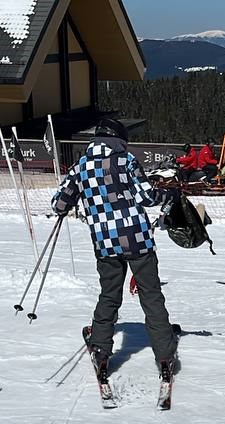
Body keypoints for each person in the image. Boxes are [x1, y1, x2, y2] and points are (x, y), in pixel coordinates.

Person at [52, 118, 178, 380]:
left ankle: (100, 350)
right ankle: (165, 354)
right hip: (137, 239)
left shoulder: (80, 166)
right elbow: (146, 197)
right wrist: (169, 195)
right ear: (119, 139)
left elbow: (60, 204)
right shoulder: (126, 160)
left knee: (109, 294)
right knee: (151, 294)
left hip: (105, 241)